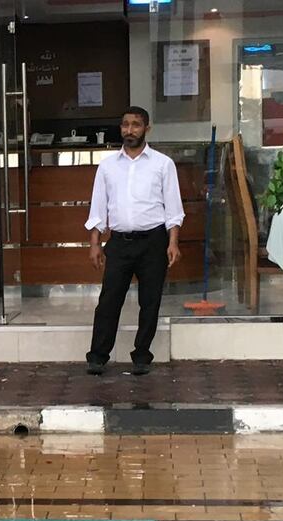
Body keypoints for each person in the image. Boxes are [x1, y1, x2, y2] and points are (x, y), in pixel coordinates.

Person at [85, 106, 184, 376]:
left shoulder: (163, 164)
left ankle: (142, 355)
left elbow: (173, 208)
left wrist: (172, 242)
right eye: (125, 125)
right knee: (109, 300)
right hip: (118, 243)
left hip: (153, 241)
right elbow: (98, 208)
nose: (130, 130)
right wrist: (95, 243)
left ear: (147, 128)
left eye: (136, 125)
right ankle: (98, 356)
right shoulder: (107, 167)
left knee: (150, 301)